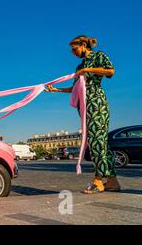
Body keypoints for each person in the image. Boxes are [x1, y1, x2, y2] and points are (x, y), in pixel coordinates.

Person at [45, 35, 121, 194]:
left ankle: (98, 180)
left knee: (96, 142)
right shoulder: (79, 65)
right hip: (85, 106)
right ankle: (112, 182)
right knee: (100, 143)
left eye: (74, 49)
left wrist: (87, 70)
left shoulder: (98, 56)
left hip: (97, 104)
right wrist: (57, 90)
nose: (73, 53)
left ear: (84, 45)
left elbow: (110, 71)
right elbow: (75, 88)